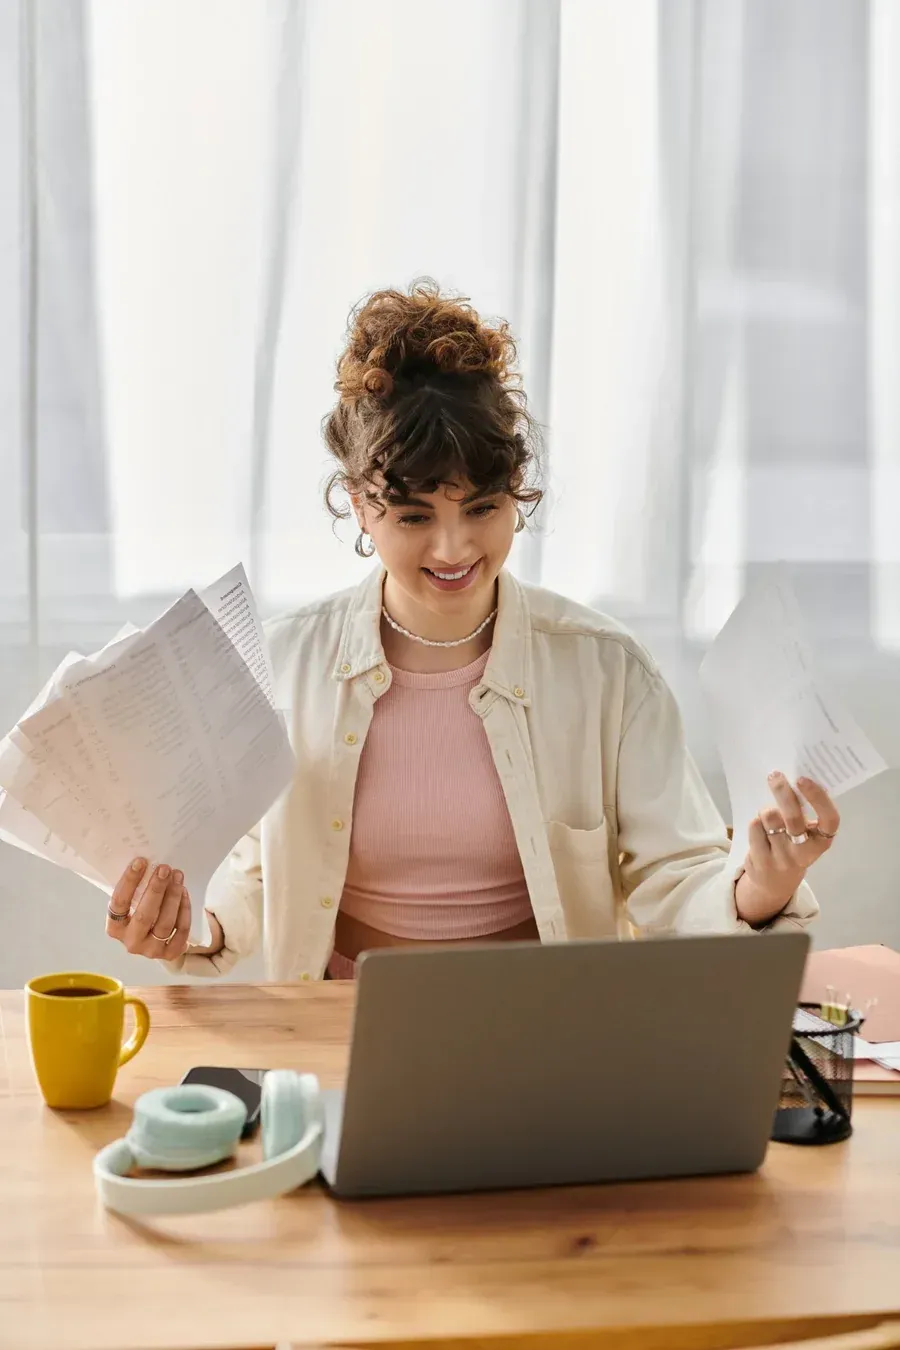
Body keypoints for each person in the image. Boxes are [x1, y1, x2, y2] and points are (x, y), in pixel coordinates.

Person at [104, 279, 838, 981]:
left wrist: (761, 886)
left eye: (482, 508)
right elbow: (250, 876)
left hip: (544, 1025)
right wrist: (187, 923)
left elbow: (675, 877)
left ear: (517, 491)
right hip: (340, 1017)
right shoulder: (287, 662)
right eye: (415, 517)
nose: (454, 549)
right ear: (360, 504)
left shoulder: (605, 669)